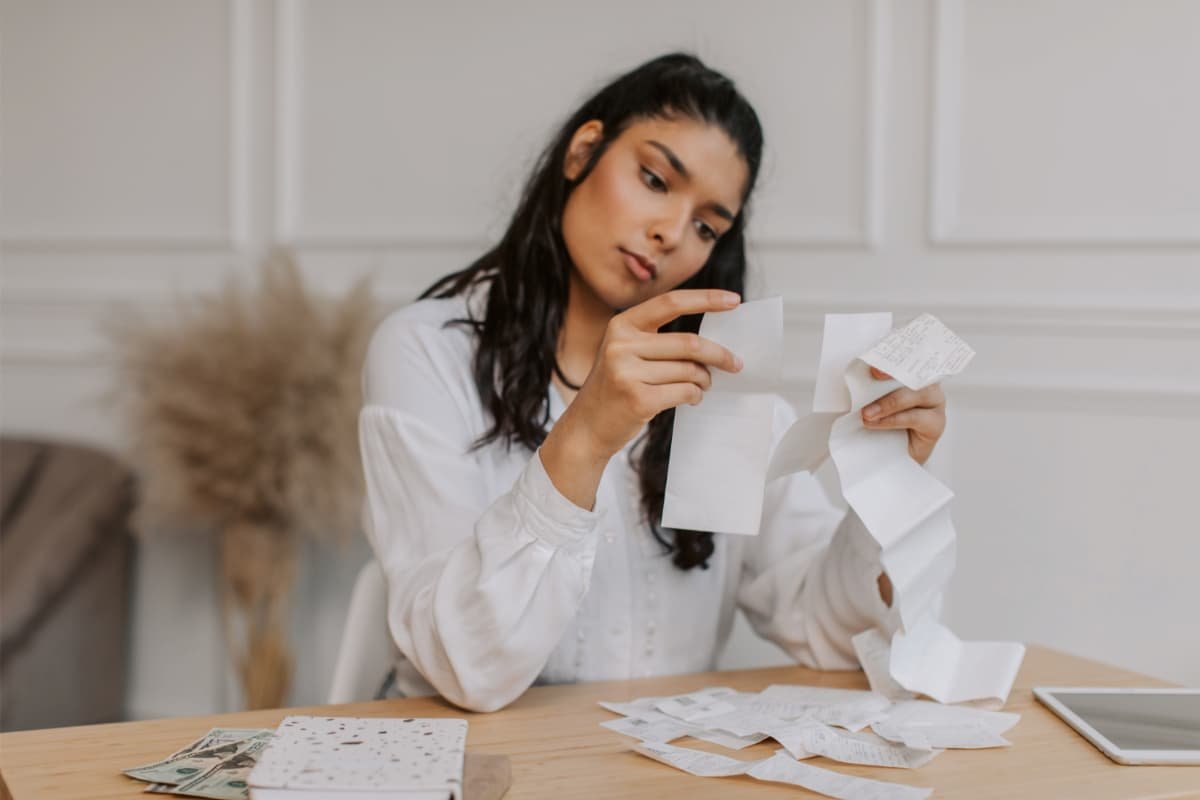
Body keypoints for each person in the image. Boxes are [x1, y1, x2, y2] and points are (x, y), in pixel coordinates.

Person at [359, 53, 947, 712]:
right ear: (583, 151)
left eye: (706, 226)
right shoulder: (424, 353)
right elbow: (465, 667)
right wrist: (584, 437)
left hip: (655, 770)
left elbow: (831, 633)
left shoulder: (721, 387)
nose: (670, 233)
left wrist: (885, 480)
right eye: (653, 178)